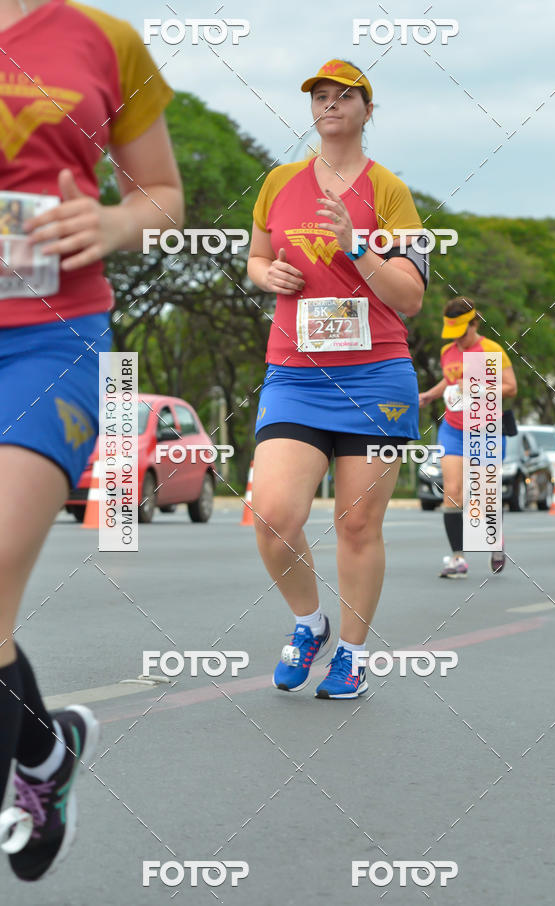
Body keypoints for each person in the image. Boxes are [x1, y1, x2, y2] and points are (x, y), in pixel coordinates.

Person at [0, 0, 183, 880]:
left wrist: (116, 222)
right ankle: (44, 748)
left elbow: (163, 194)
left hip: (48, 336)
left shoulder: (106, 39)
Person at [247, 59, 428, 699]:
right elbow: (258, 256)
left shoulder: (392, 192)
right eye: (320, 97)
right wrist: (266, 276)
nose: (329, 106)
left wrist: (359, 246)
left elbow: (410, 296)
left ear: (367, 111)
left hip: (375, 376)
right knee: (272, 515)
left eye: (343, 97)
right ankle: (308, 624)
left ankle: (351, 655)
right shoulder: (279, 182)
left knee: (357, 526)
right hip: (295, 374)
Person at [419, 297, 517, 578]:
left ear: (474, 323)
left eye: (462, 333)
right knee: (452, 492)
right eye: (454, 334)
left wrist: (477, 385)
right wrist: (430, 394)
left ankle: (494, 541)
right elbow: (449, 381)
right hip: (452, 428)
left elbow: (510, 388)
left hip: (486, 428)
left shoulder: (490, 349)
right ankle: (457, 558)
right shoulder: (447, 352)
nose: (458, 340)